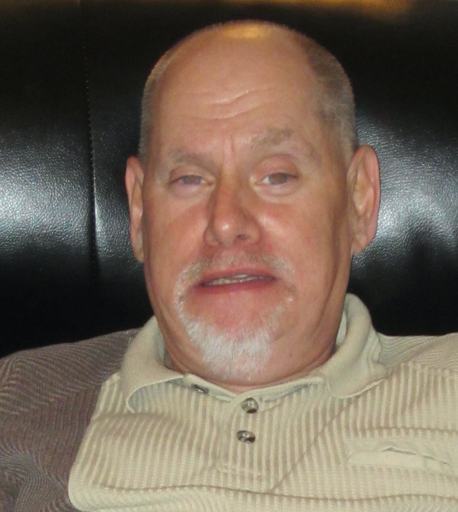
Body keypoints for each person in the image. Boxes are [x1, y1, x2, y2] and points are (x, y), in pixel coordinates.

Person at [1, 20, 457, 512]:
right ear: (139, 212)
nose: (226, 223)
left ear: (358, 200)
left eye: (276, 176)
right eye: (189, 179)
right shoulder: (20, 399)